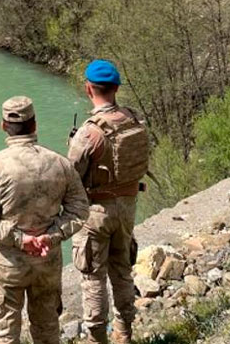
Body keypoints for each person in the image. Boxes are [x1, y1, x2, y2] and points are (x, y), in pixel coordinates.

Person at [0, 96, 90, 344]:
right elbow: (79, 210)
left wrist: (20, 239)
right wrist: (52, 235)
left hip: (6, 264)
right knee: (47, 330)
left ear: (3, 126)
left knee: (5, 335)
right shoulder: (60, 164)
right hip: (47, 261)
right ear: (34, 124)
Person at [67, 60, 151, 344]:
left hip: (95, 213)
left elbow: (71, 176)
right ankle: (124, 333)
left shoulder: (88, 133)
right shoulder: (136, 121)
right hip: (127, 208)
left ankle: (95, 338)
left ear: (88, 88)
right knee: (122, 271)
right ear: (116, 88)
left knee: (93, 279)